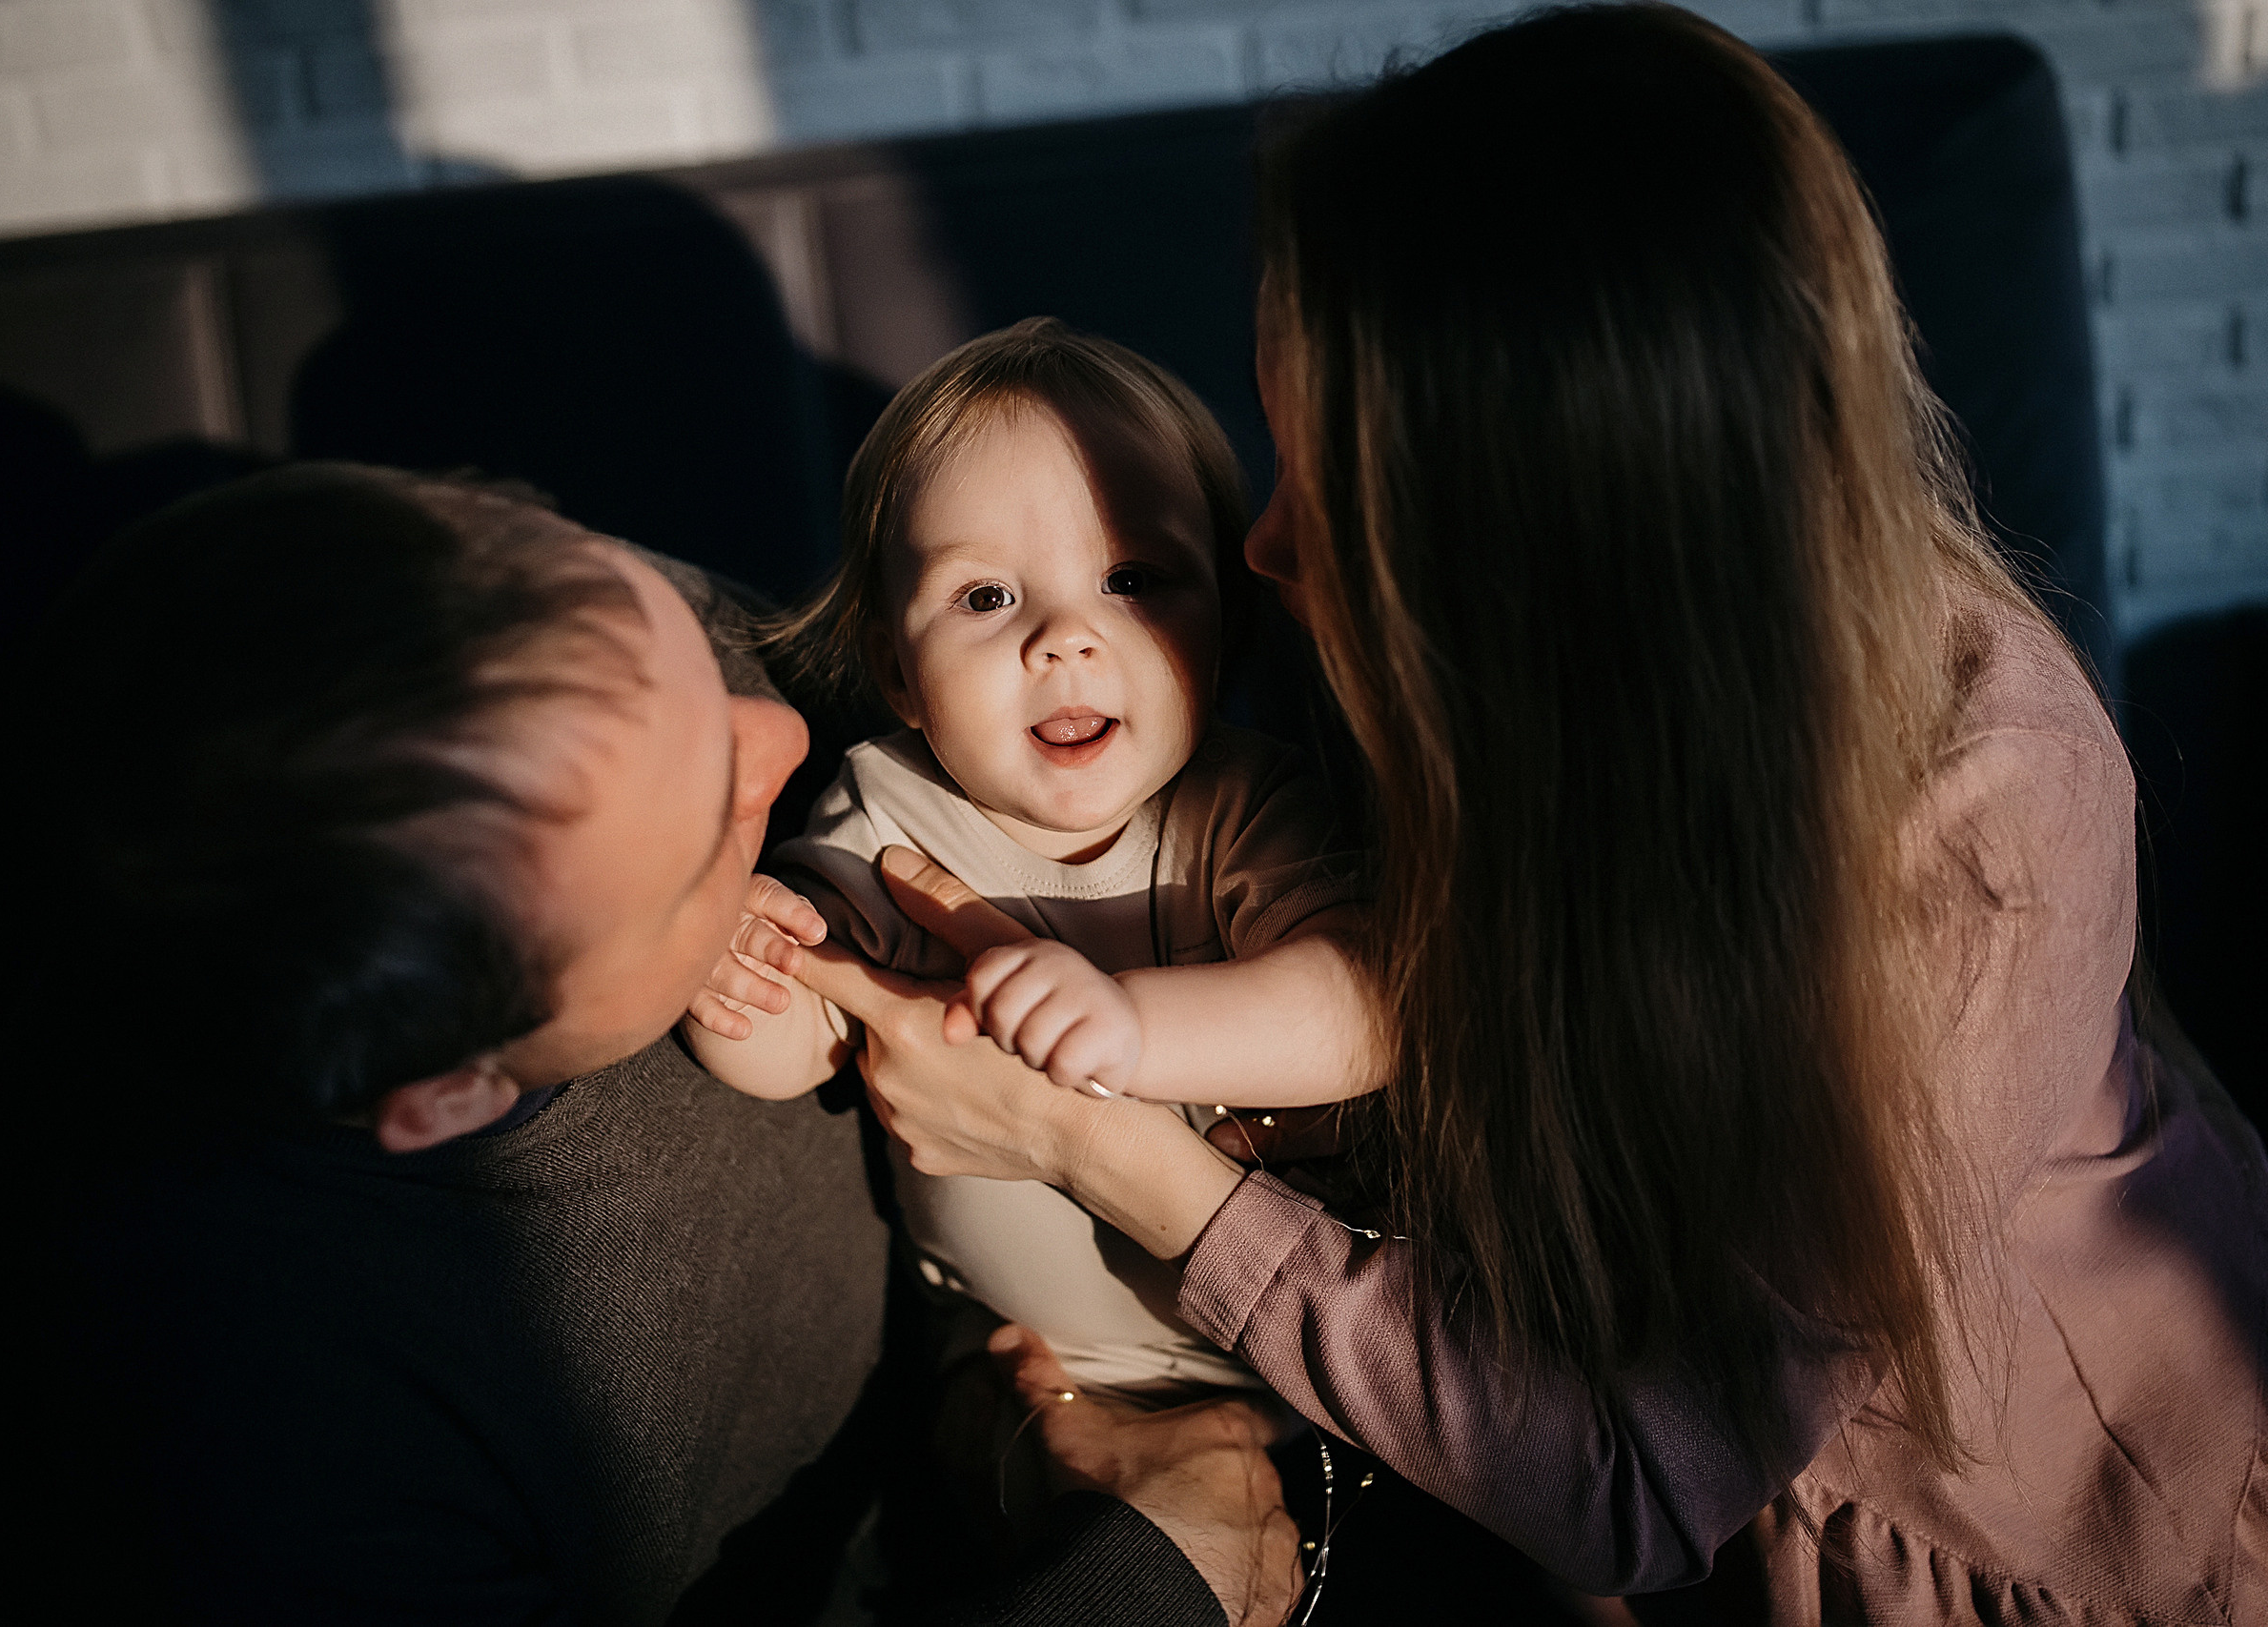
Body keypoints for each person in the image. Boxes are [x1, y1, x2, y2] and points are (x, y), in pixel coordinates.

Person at [792, 7, 2268, 1621]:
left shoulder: (1969, 843)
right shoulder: (1495, 686)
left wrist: (1092, 1143)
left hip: (1996, 1554)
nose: (1266, 556)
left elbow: (1633, 1478)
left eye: (1330, 489)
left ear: (1529, 540)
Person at [31, 463, 1302, 1625]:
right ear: (454, 1086)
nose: (788, 742)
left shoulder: (647, 660)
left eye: (683, 639)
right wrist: (1142, 1583)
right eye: (713, 829)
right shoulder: (305, 1458)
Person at [684, 319, 1379, 1409]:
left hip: (1312, 1356)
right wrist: (733, 955)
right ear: (899, 672)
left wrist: (1130, 1029)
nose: (1063, 637)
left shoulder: (1247, 809)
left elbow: (1365, 1010)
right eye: (987, 598)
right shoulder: (890, 816)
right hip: (1047, 1376)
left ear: (1226, 633)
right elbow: (785, 1055)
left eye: (1133, 580)